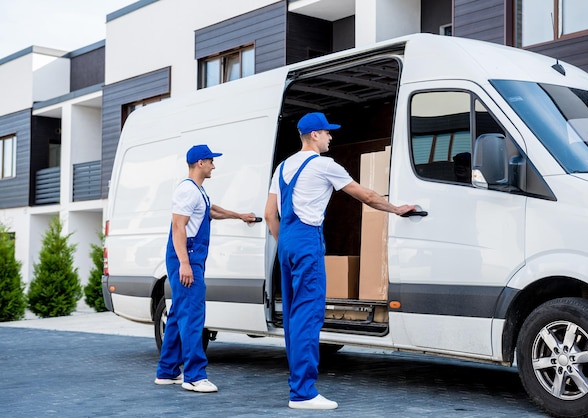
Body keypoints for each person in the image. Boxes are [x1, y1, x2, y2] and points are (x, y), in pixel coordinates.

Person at [264, 112, 416, 410]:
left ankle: (297, 385)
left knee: (294, 318)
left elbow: (270, 214)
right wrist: (396, 209)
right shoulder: (324, 165)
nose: (331, 137)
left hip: (286, 243)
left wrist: (285, 244)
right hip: (306, 242)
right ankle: (303, 393)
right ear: (314, 135)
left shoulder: (282, 167)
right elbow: (367, 195)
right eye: (327, 132)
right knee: (308, 316)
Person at [155, 144, 257, 393]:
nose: (214, 165)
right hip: (186, 255)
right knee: (193, 316)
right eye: (211, 161)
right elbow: (178, 228)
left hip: (189, 255)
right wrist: (185, 265)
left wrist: (239, 215)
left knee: (180, 313)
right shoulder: (187, 191)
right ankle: (194, 376)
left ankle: (167, 371)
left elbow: (211, 211)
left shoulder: (197, 191)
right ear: (200, 163)